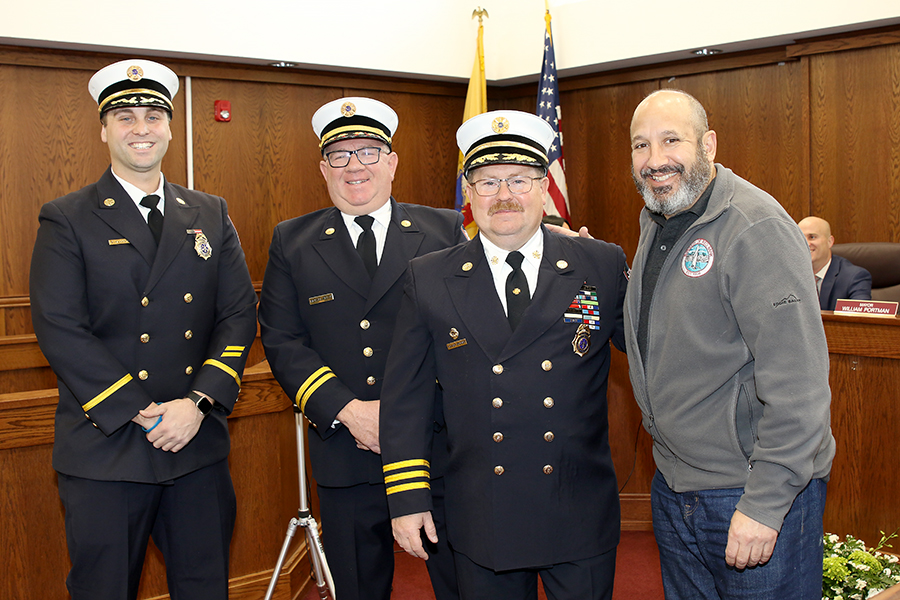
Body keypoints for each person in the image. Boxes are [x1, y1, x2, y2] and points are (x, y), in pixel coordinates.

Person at [29, 59, 258, 600]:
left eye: (153, 115)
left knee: (205, 588)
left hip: (194, 442)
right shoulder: (67, 217)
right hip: (108, 446)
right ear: (103, 129)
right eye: (125, 116)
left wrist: (197, 403)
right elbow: (61, 327)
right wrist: (141, 408)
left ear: (171, 128)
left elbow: (237, 314)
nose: (141, 127)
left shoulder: (209, 211)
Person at [381, 110, 628, 600]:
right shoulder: (428, 277)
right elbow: (406, 398)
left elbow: (652, 355)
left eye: (519, 179)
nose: (504, 195)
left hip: (577, 506)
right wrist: (407, 498)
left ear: (543, 188)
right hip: (482, 512)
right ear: (468, 194)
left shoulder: (600, 263)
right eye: (488, 181)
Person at [624, 89, 836, 600]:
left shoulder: (754, 226)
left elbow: (799, 385)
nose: (654, 161)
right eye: (640, 145)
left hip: (748, 492)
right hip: (675, 487)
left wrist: (764, 503)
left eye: (671, 140)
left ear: (709, 145)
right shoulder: (659, 220)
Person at [257, 97, 464, 600]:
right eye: (340, 154)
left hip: (433, 443)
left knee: (460, 585)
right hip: (346, 448)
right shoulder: (293, 241)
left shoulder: (443, 229)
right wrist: (349, 412)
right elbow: (283, 340)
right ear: (323, 168)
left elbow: (465, 330)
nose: (355, 165)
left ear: (391, 162)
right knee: (357, 589)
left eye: (369, 151)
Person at [797, 216, 872, 309]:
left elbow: (859, 319)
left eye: (812, 237)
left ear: (830, 241)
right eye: (800, 238)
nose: (806, 243)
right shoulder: (790, 275)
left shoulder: (854, 277)